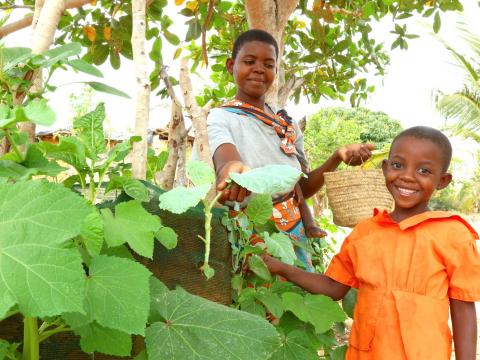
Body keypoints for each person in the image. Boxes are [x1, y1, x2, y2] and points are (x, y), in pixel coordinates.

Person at [263, 126, 480, 359]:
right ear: (385, 168)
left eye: (424, 170)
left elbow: (463, 310)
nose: (407, 176)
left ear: (442, 181)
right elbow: (334, 287)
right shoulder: (365, 232)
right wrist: (282, 267)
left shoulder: (454, 235)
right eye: (398, 165)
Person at [207, 28, 374, 271]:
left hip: (295, 231)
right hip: (252, 232)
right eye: (249, 61)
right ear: (231, 65)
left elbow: (301, 188)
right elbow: (225, 157)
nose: (259, 69)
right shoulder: (221, 117)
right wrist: (231, 169)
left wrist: (336, 157)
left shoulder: (287, 124)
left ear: (276, 70)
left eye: (268, 64)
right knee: (259, 301)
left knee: (296, 302)